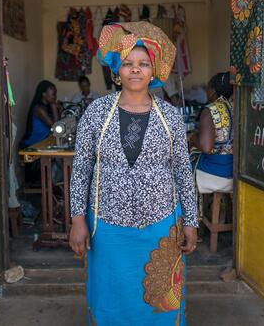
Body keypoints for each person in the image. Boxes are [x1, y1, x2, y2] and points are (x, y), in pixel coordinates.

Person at [69, 22, 198, 326]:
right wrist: (77, 220)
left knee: (161, 303)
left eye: (143, 64)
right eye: (128, 64)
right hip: (108, 229)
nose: (136, 70)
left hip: (161, 228)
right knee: (108, 299)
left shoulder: (170, 116)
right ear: (117, 71)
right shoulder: (96, 113)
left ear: (154, 71)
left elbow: (182, 170)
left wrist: (191, 222)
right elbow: (82, 168)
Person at [191, 72, 234, 193]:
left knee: (178, 168)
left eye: (208, 88)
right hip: (234, 173)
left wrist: (194, 138)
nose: (206, 92)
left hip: (214, 173)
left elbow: (206, 147)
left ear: (213, 91)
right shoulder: (235, 106)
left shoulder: (210, 110)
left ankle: (191, 210)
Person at [20, 80, 61, 148]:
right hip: (31, 146)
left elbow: (58, 125)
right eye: (53, 94)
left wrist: (59, 110)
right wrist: (53, 106)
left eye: (55, 94)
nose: (55, 97)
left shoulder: (46, 107)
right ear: (44, 94)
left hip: (42, 143)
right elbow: (55, 128)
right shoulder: (39, 109)